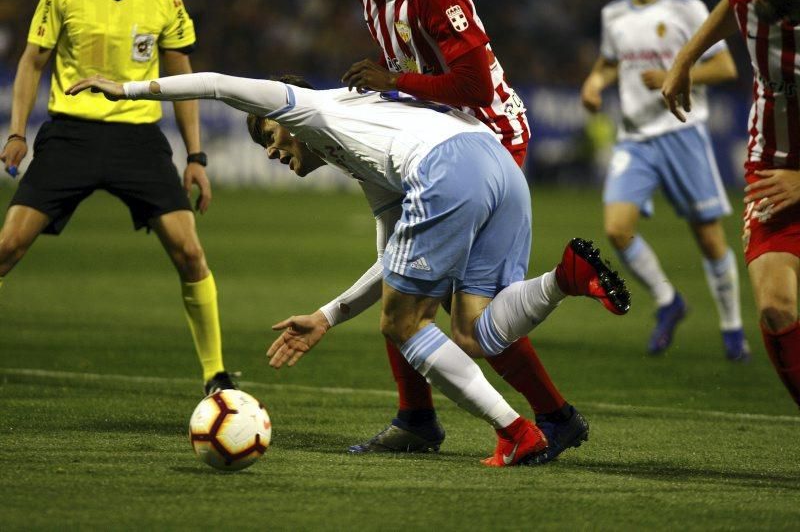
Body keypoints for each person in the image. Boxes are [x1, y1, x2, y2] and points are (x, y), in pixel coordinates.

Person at [66, 72, 631, 465]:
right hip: (496, 165)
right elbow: (393, 264)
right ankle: (564, 278)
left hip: (446, 169)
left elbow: (219, 85)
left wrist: (130, 89)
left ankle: (517, 433)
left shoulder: (312, 109)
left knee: (402, 324)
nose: (270, 151)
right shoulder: (366, 159)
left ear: (280, 118)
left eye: (268, 135)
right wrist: (327, 316)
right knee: (474, 332)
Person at [340, 0, 588, 460]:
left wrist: (392, 81)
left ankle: (547, 415)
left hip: (488, 136)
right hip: (439, 141)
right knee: (413, 279)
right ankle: (421, 418)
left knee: (456, 302)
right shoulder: (374, 3)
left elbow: (474, 84)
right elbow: (415, 62)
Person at [0, 0, 235, 395]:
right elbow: (32, 61)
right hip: (70, 135)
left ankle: (216, 374)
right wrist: (17, 132)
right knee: (7, 246)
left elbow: (182, 75)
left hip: (138, 140)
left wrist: (195, 157)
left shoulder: (166, 2)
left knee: (190, 253)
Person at [580, 0, 750, 360]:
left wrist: (677, 72)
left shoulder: (687, 7)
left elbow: (725, 67)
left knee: (709, 237)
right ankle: (668, 300)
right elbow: (610, 64)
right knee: (617, 229)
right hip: (634, 139)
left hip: (682, 132)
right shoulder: (614, 14)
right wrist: (594, 83)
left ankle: (733, 329)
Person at [663, 0, 800, 408]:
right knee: (776, 308)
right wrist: (685, 58)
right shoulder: (752, 2)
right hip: (773, 170)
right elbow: (732, 7)